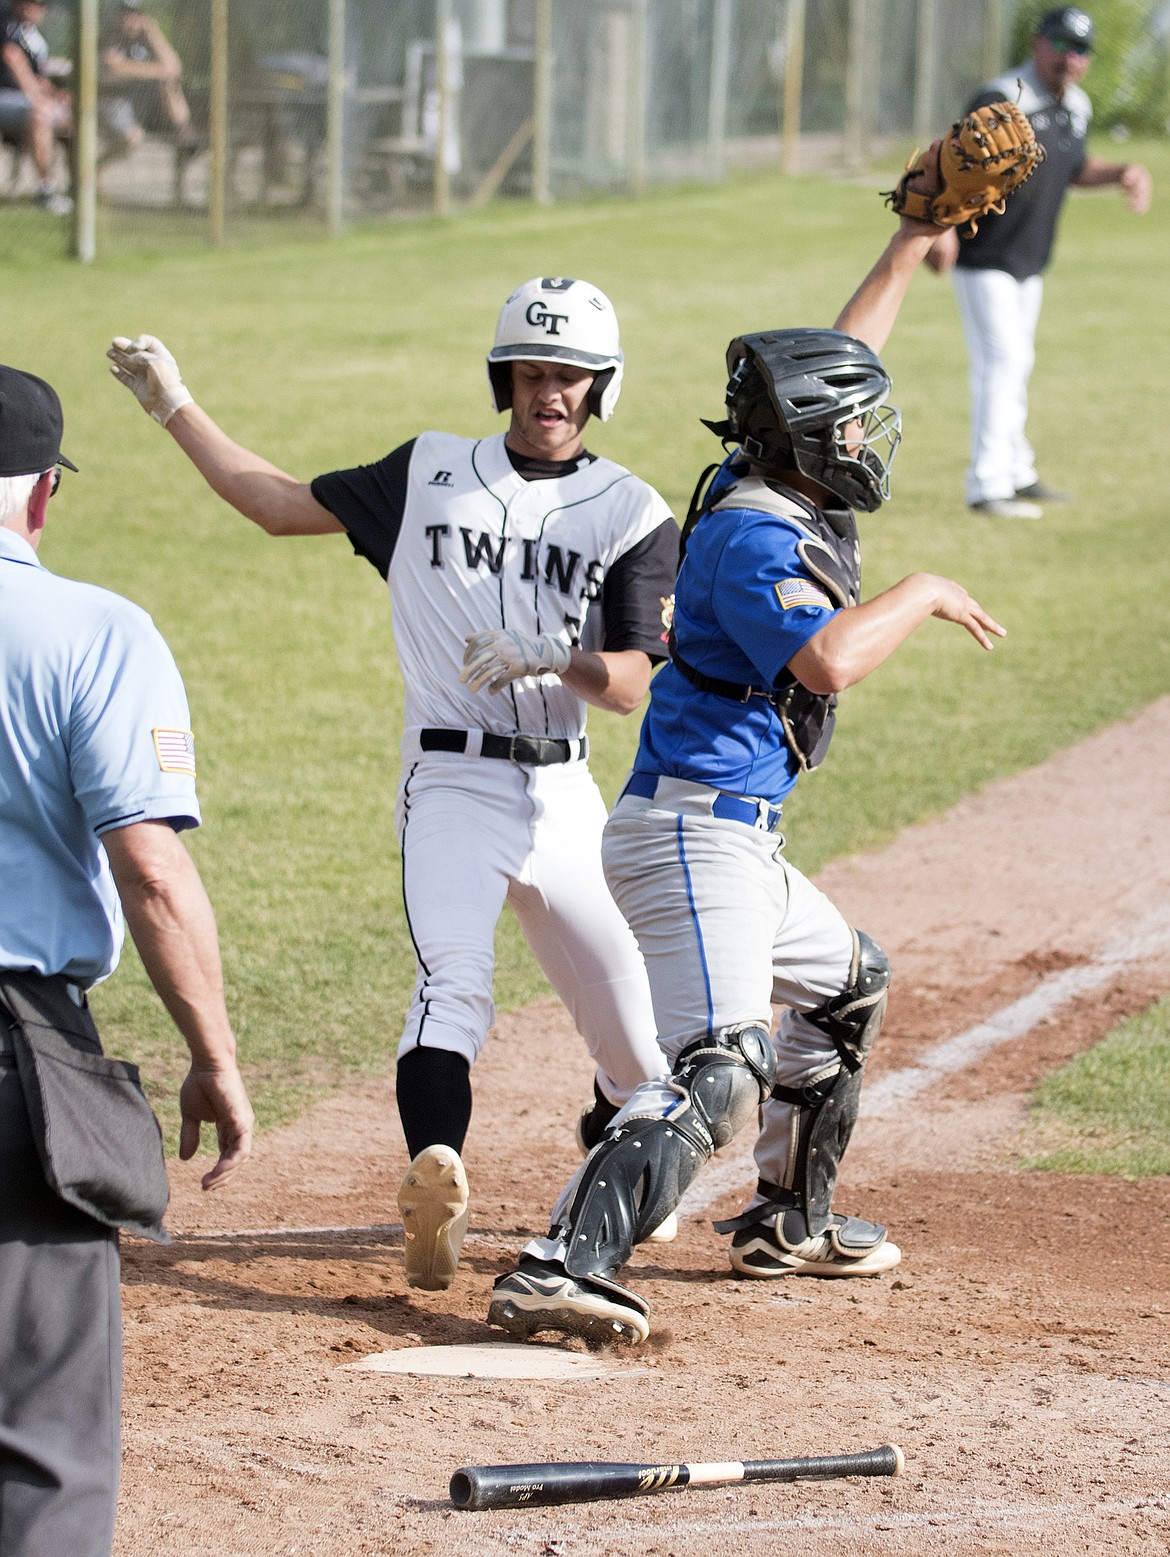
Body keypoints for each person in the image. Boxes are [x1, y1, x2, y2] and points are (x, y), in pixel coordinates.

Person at [487, 207, 1006, 1347]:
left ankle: (785, 1221)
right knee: (725, 1068)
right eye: (859, 429)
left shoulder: (764, 478)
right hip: (689, 836)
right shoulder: (756, 537)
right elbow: (828, 659)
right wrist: (919, 589)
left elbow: (840, 362)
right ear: (816, 443)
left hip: (731, 833)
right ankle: (562, 1260)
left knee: (846, 986)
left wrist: (912, 238)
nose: (873, 438)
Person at [105, 277, 679, 1295]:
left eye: (571, 378)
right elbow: (278, 506)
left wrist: (555, 657)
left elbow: (631, 680)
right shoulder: (428, 472)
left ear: (602, 388)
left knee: (639, 1051)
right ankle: (435, 1176)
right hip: (450, 783)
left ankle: (612, 1126)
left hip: (564, 796)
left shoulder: (630, 510)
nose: (550, 393)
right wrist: (173, 407)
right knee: (450, 987)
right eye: (534, 373)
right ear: (505, 376)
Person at [0, 363, 254, 1555]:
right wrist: (213, 1053)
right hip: (21, 1052)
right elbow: (150, 871)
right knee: (44, 1437)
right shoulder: (95, 632)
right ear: (44, 494)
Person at [928, 6, 1153, 520]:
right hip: (984, 253)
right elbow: (950, 163)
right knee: (1002, 362)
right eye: (1060, 44)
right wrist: (940, 230)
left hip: (1030, 258)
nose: (1070, 58)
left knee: (1017, 361)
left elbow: (1075, 168)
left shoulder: (1077, 105)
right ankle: (987, 484)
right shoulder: (1003, 97)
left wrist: (1123, 171)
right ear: (1037, 43)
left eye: (1081, 50)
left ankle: (1016, 469)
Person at [99, 0, 198, 174]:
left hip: (145, 102)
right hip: (114, 99)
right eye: (125, 13)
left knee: (169, 85)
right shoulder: (109, 36)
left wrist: (154, 32)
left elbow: (175, 68)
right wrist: (160, 71)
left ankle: (185, 134)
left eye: (136, 14)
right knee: (132, 138)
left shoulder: (146, 37)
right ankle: (95, 170)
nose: (130, 18)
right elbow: (115, 67)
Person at [0, 0, 72, 214]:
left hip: (24, 100)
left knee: (73, 117)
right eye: (29, 3)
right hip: (5, 96)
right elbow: (13, 59)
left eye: (39, 4)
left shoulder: (34, 38)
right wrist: (38, 99)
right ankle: (45, 190)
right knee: (40, 115)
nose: (34, 8)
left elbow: (38, 78)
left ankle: (77, 187)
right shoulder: (5, 23)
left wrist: (58, 96)